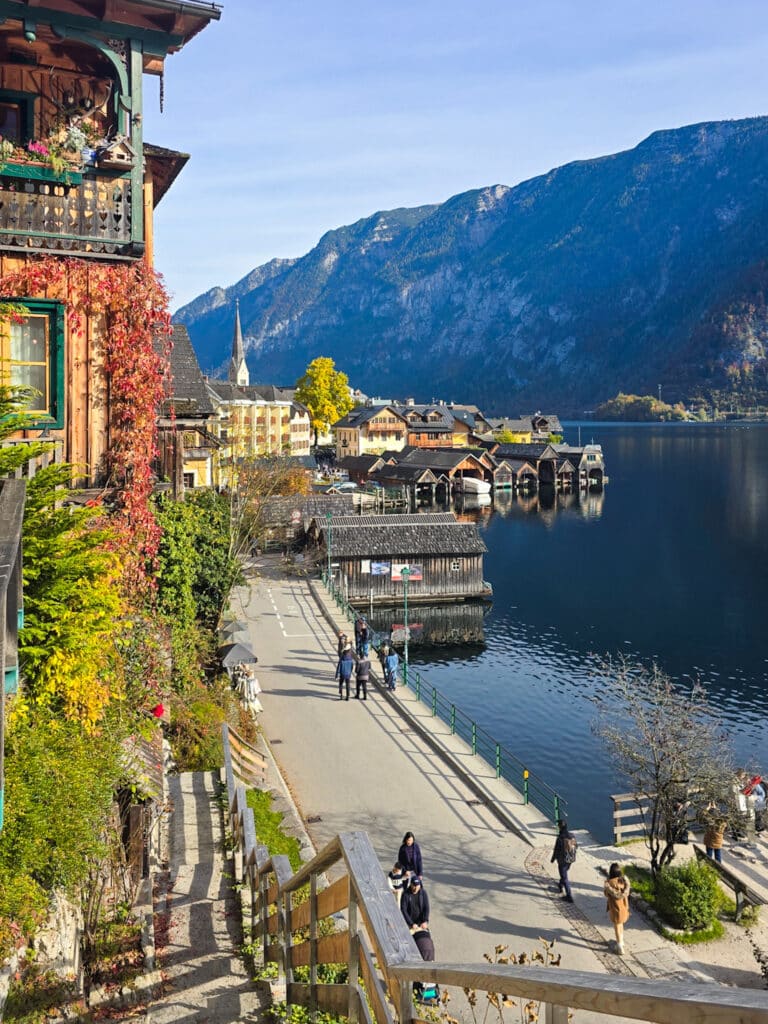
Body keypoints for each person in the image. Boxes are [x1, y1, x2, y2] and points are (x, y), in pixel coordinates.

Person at [604, 863, 631, 955]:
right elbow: (626, 893)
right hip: (623, 907)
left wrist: (606, 886)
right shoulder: (623, 881)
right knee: (621, 924)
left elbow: (606, 894)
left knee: (617, 926)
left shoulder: (610, 883)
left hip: (615, 909)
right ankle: (621, 941)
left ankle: (619, 946)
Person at [551, 819, 576, 902]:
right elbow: (576, 846)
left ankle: (569, 896)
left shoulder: (560, 838)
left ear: (560, 827)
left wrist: (552, 859)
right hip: (570, 859)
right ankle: (560, 885)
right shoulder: (572, 835)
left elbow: (556, 850)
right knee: (564, 873)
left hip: (562, 861)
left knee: (564, 877)